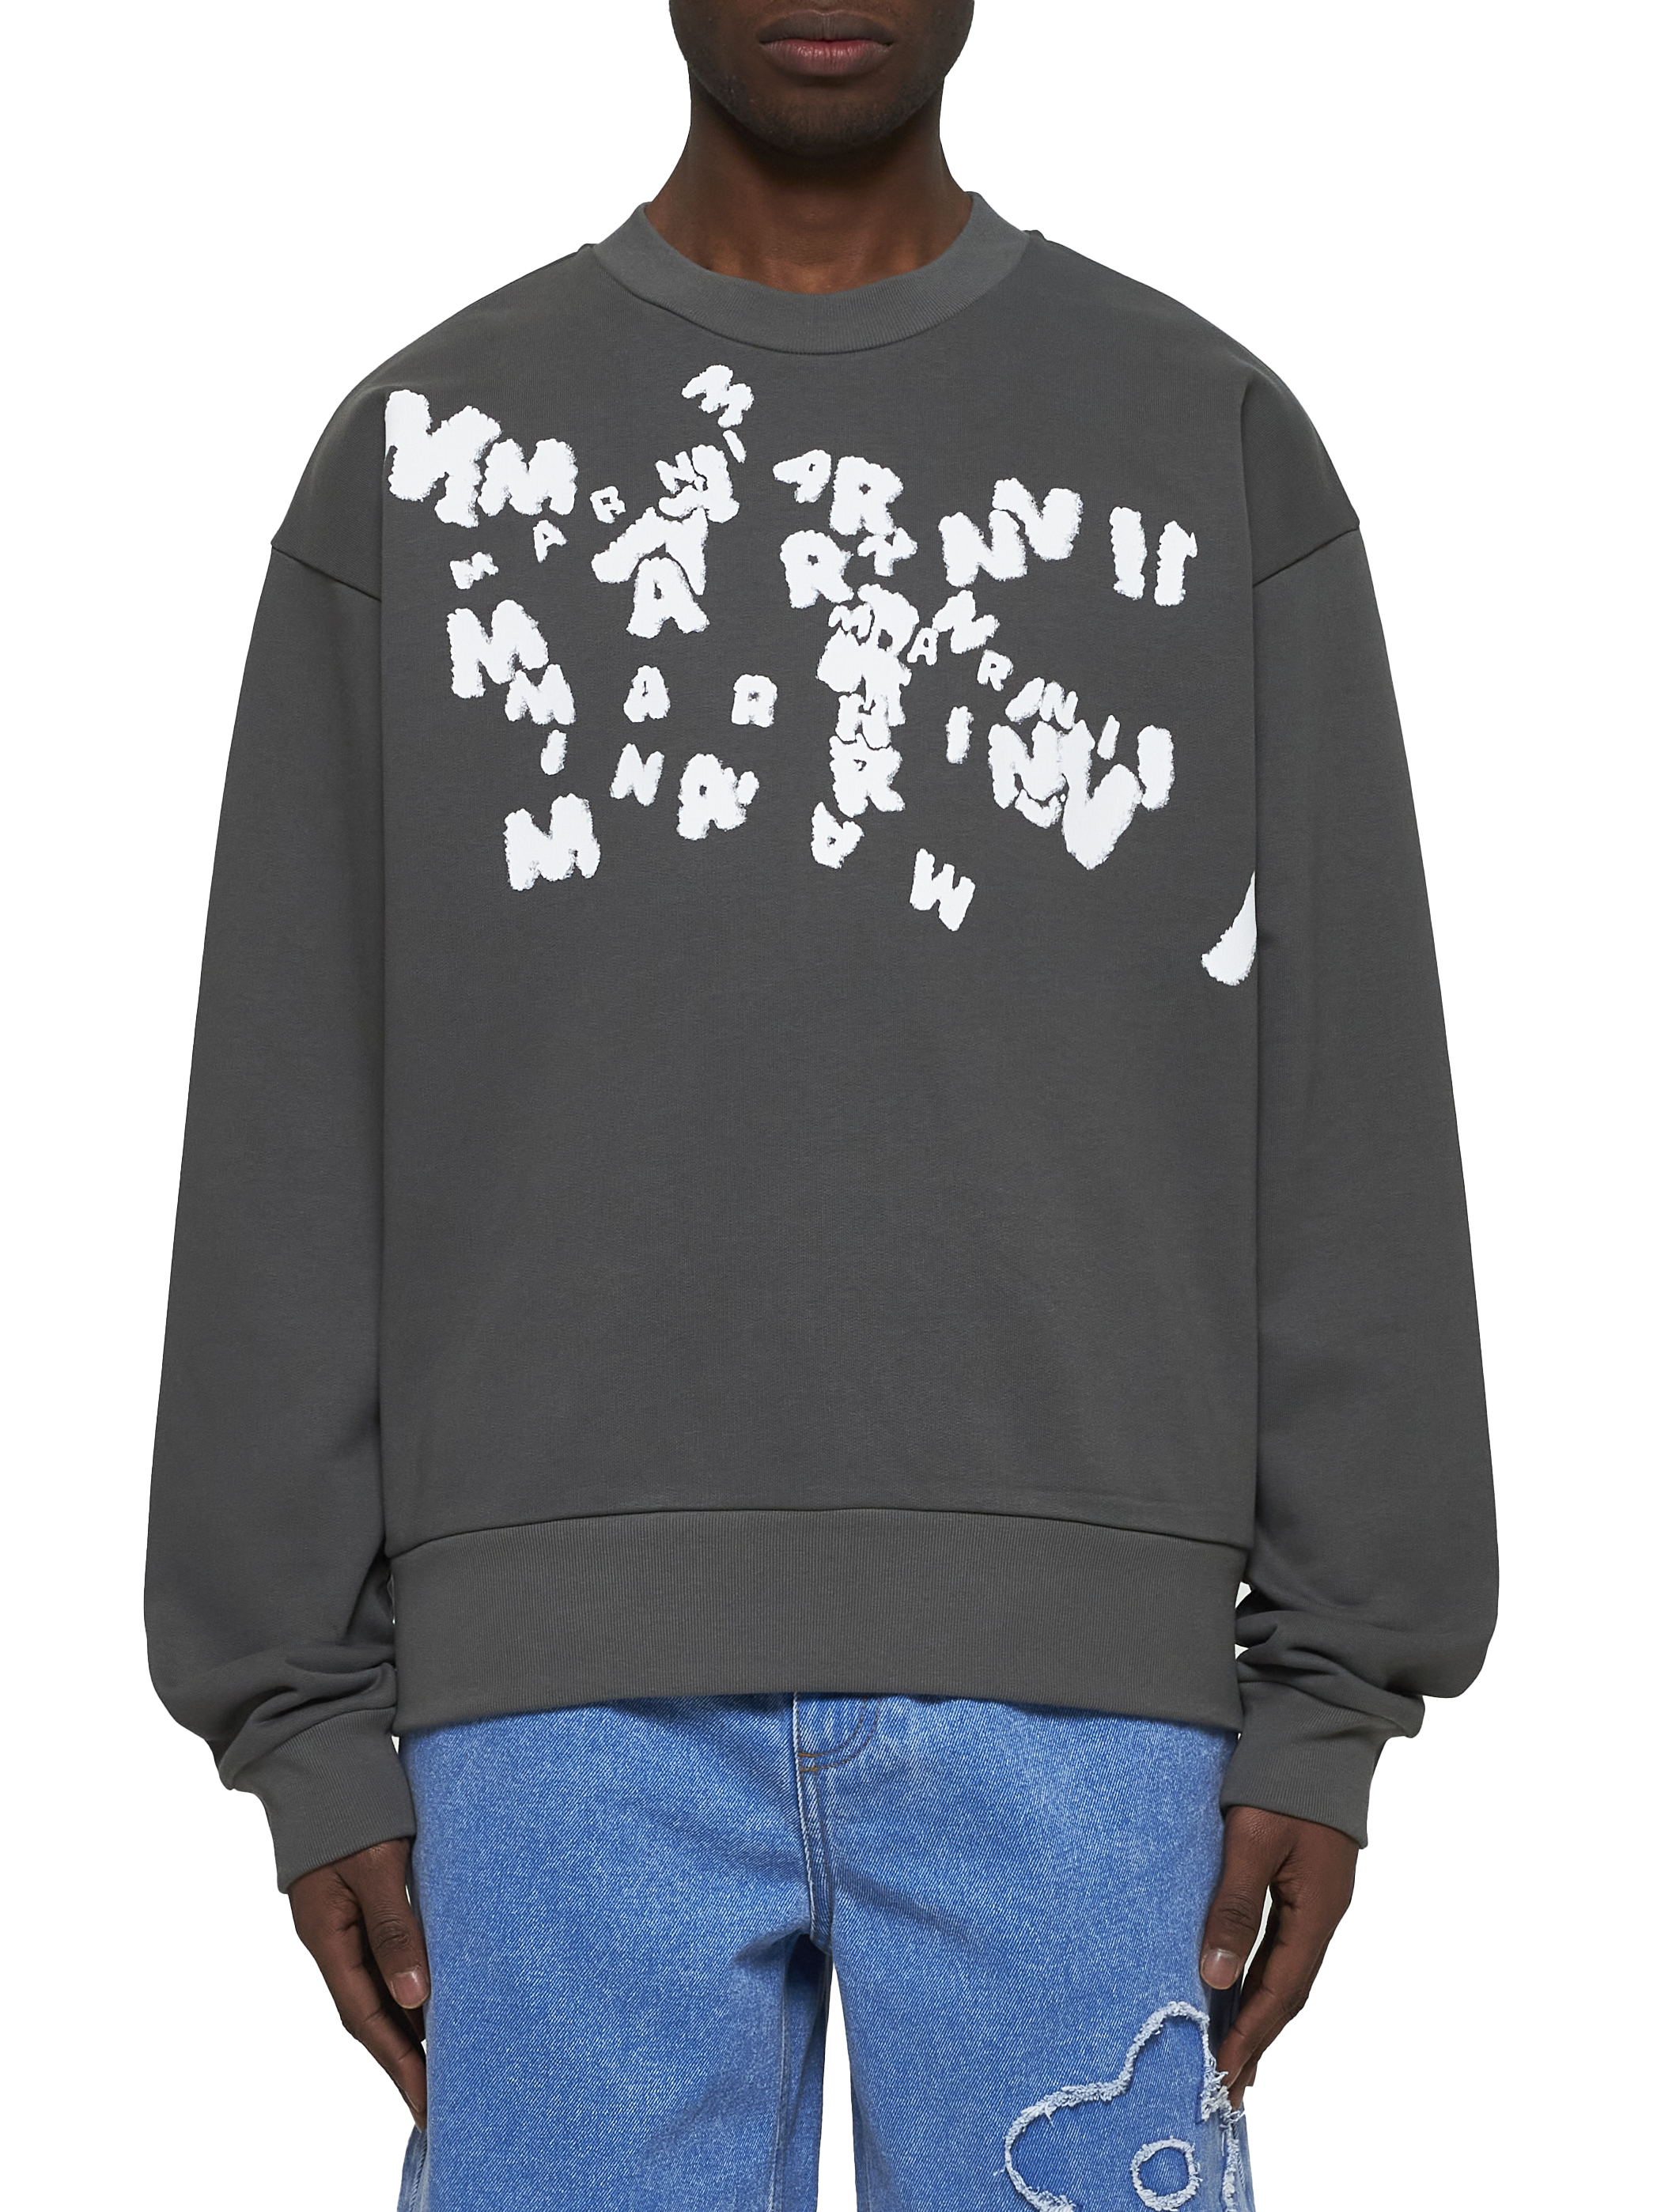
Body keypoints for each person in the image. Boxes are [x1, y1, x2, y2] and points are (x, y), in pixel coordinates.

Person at [146, 5, 1498, 2206]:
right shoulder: (423, 456)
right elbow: (293, 1108)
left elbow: (1346, 1086)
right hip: (550, 1724)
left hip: (1090, 1710)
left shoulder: (1207, 442)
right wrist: (298, 1717)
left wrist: (1336, 1689)